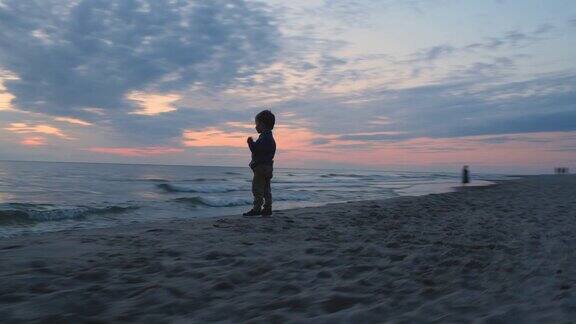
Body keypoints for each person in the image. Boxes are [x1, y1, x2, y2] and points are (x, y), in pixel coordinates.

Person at [243, 110, 276, 217]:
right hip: (268, 167)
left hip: (261, 167)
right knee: (266, 189)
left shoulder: (264, 138)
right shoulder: (270, 138)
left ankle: (257, 208)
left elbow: (256, 150)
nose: (255, 127)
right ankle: (267, 208)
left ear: (263, 124)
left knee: (257, 188)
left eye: (257, 124)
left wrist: (250, 142)